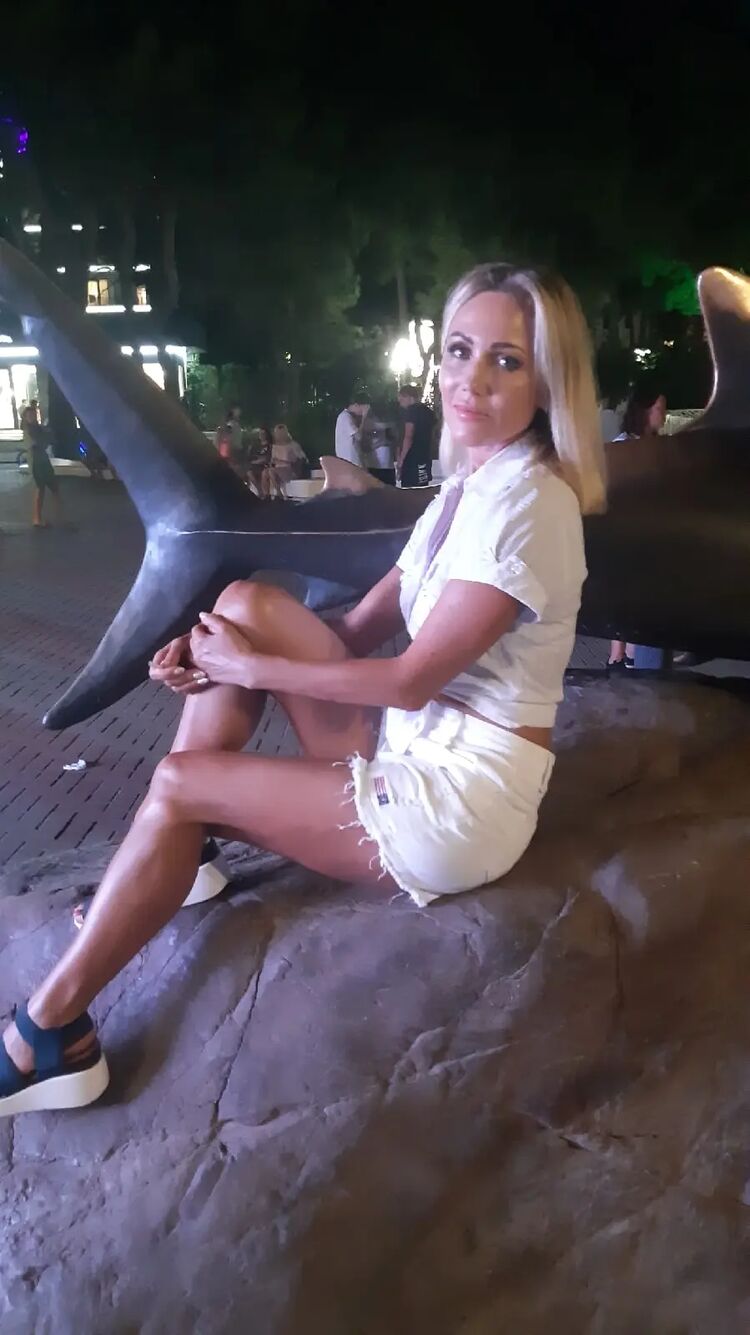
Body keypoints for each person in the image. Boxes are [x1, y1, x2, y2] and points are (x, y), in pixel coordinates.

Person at [0, 260, 607, 1117]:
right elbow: (353, 632)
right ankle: (181, 852)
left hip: (459, 802)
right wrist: (211, 651)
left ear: (547, 381)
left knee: (178, 781)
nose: (470, 379)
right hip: (410, 745)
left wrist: (250, 671)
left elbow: (407, 680)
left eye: (506, 360)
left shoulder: (533, 508)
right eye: (459, 349)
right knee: (245, 604)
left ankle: (50, 1035)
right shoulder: (465, 491)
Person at [607, 374, 667, 671]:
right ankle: (622, 658)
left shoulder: (650, 446)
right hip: (630, 542)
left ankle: (621, 657)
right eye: (660, 409)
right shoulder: (627, 449)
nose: (664, 415)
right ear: (646, 410)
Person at [21, 403, 63, 528]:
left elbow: (50, 440)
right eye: (30, 415)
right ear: (25, 417)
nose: (32, 417)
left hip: (43, 460)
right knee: (40, 489)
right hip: (36, 462)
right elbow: (39, 443)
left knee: (54, 487)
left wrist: (47, 437)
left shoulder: (39, 428)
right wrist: (46, 437)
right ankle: (37, 519)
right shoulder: (29, 431)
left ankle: (60, 516)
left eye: (34, 414)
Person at [396, 385, 435, 487]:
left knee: (410, 490)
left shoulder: (411, 411)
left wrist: (401, 460)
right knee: (422, 488)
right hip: (424, 456)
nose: (400, 403)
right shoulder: (428, 412)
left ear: (409, 397)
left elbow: (408, 436)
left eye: (402, 399)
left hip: (412, 459)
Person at [334, 397, 370, 467]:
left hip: (350, 461)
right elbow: (358, 436)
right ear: (356, 405)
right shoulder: (345, 417)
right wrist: (364, 417)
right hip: (350, 461)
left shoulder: (347, 416)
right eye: (364, 409)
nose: (362, 412)